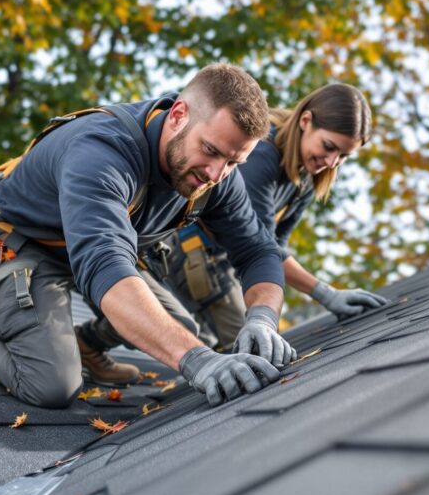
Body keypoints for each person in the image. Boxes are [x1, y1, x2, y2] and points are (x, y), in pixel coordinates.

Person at [0, 63, 296, 409]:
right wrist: (197, 360)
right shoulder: (101, 152)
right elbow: (104, 264)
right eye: (211, 151)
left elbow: (258, 251)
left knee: (178, 327)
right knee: (51, 387)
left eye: (234, 163)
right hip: (23, 244)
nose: (216, 174)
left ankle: (87, 346)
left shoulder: (215, 174)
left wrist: (263, 318)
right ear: (178, 115)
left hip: (90, 250)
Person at [109, 83, 388, 350]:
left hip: (228, 264)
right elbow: (261, 244)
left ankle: (95, 338)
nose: (331, 162)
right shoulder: (262, 154)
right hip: (193, 253)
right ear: (305, 121)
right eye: (329, 146)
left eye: (343, 156)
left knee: (240, 331)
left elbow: (276, 247)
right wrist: (324, 293)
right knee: (244, 344)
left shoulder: (305, 176)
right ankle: (95, 338)